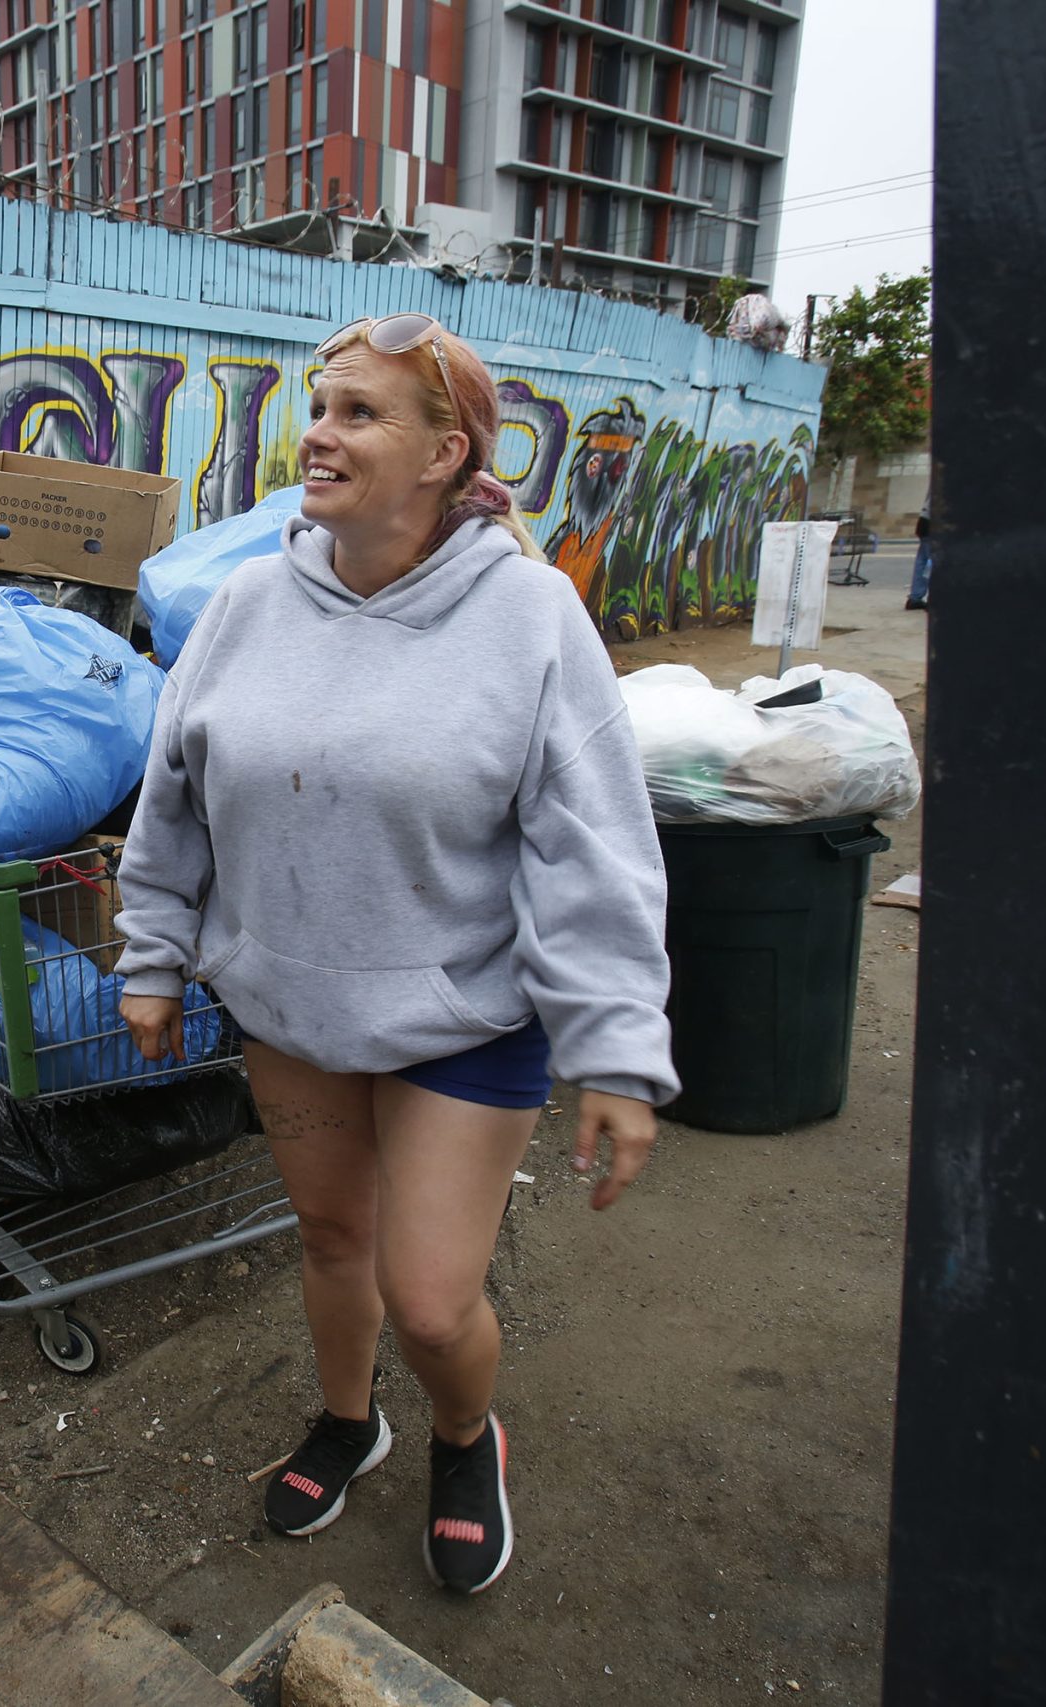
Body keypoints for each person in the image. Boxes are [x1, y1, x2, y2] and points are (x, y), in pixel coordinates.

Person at [114, 313, 677, 1596]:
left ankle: (463, 1437)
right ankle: (345, 1418)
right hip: (287, 1002)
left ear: (444, 452)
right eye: (321, 406)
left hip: (464, 1015)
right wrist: (153, 955)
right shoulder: (252, 598)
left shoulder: (528, 616)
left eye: (360, 413)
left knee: (428, 1299)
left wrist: (616, 1048)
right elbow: (175, 795)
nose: (318, 433)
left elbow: (592, 846)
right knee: (328, 1240)